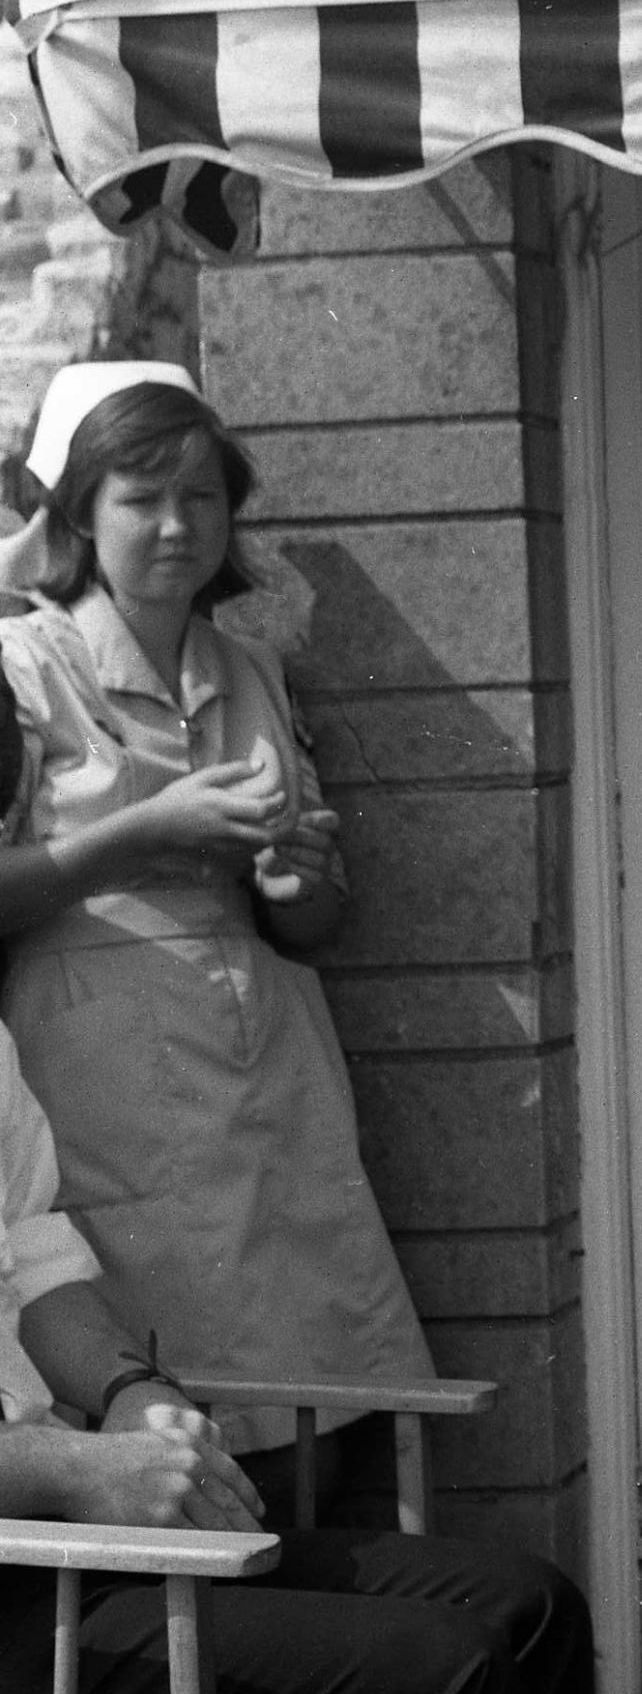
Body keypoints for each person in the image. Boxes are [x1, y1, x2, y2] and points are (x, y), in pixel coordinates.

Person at [0, 363, 434, 1481]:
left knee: (311, 1394)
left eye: (201, 496)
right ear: (80, 512)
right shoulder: (24, 669)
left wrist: (301, 884)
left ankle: (321, 1623)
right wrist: (145, 834)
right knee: (170, 1394)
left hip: (269, 1079)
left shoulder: (249, 669)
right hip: (108, 1091)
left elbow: (314, 923)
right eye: (140, 497)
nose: (176, 524)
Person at [0, 981, 591, 1694]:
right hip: (23, 1573)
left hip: (54, 1537)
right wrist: (75, 1469)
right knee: (448, 1664)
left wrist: (133, 1390)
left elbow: (32, 1257)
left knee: (533, 1606)